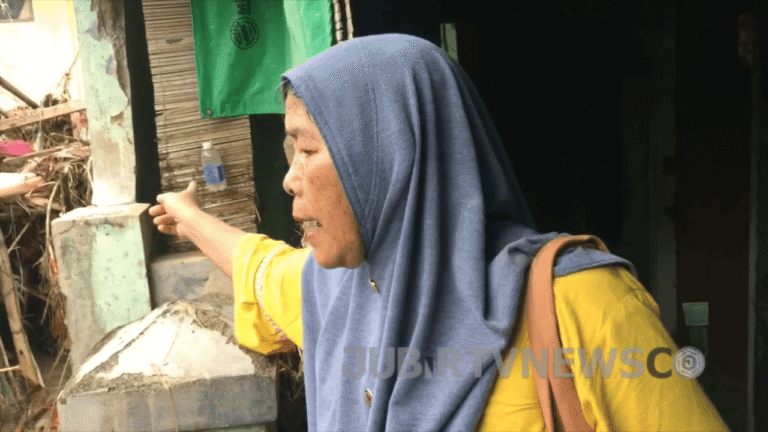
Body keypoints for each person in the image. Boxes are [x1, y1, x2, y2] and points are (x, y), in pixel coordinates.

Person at [150, 34, 728, 431]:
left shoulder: (578, 301)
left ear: (391, 160)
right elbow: (257, 264)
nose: (288, 181)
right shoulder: (338, 295)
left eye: (306, 150)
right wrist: (190, 217)